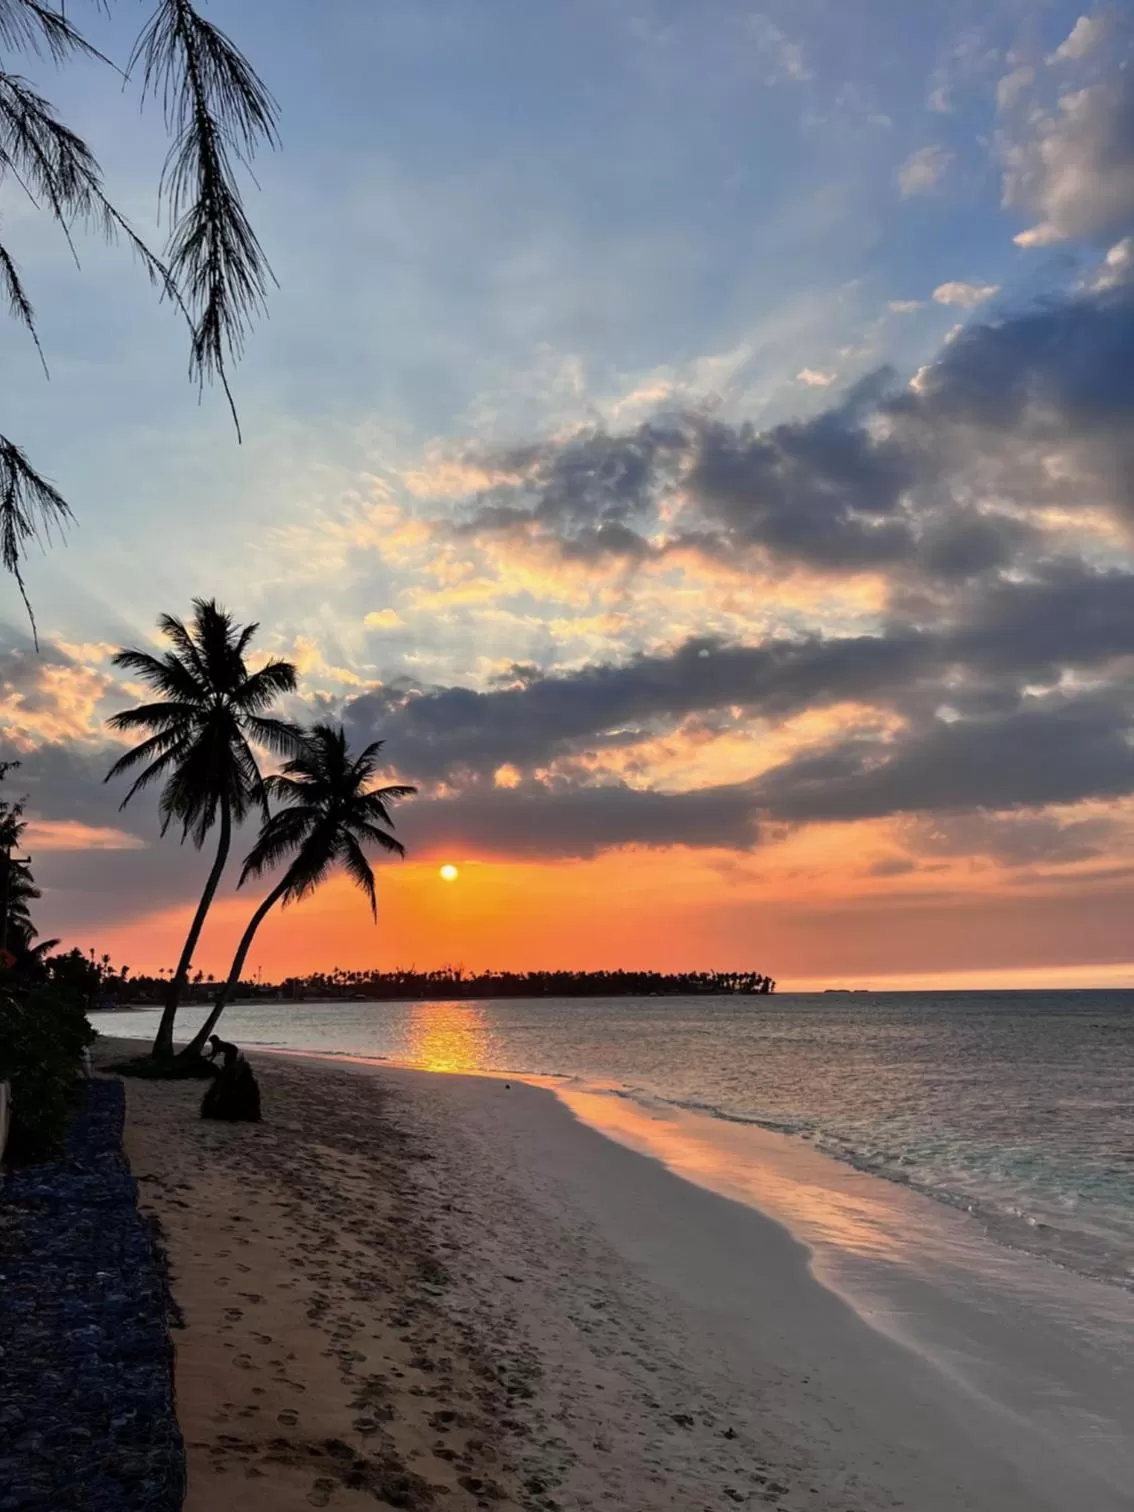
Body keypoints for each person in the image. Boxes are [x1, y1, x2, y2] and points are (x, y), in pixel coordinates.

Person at [200, 1037, 262, 1122]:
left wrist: (208, 1059)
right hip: (232, 1050)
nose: (211, 1043)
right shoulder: (218, 1044)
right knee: (228, 1063)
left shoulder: (219, 1045)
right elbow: (214, 1053)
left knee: (228, 1063)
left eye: (211, 1041)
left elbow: (214, 1053)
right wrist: (208, 1059)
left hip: (232, 1050)